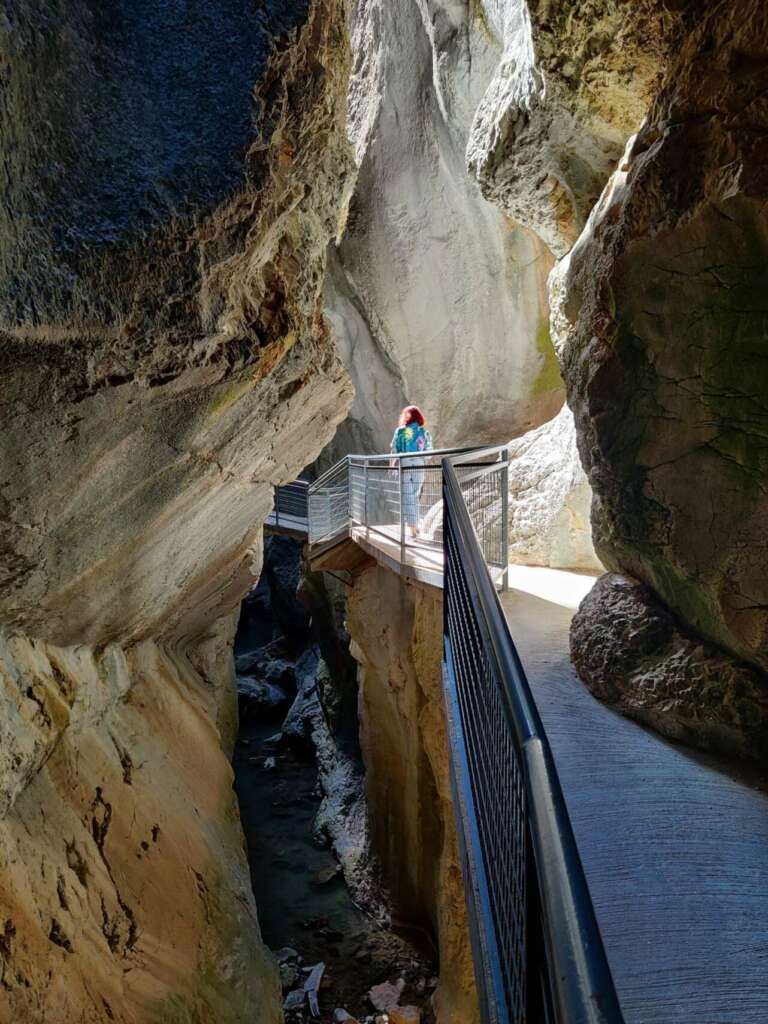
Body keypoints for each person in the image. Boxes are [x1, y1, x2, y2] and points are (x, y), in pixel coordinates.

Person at [390, 405, 433, 538]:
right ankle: (415, 526)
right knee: (415, 495)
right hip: (419, 464)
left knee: (408, 496)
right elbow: (428, 454)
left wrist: (391, 465)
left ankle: (413, 528)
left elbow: (395, 450)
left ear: (406, 417)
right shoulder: (424, 432)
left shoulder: (401, 431)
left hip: (405, 463)